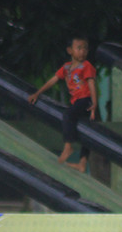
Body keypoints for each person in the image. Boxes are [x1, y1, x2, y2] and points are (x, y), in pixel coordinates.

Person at [27, 36, 97, 171]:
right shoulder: (66, 68)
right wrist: (37, 93)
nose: (83, 52)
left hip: (85, 99)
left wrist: (94, 104)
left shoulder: (87, 66)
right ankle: (82, 163)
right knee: (86, 131)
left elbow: (91, 83)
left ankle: (68, 146)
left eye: (85, 49)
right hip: (77, 101)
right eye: (79, 48)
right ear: (70, 50)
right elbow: (53, 80)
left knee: (68, 115)